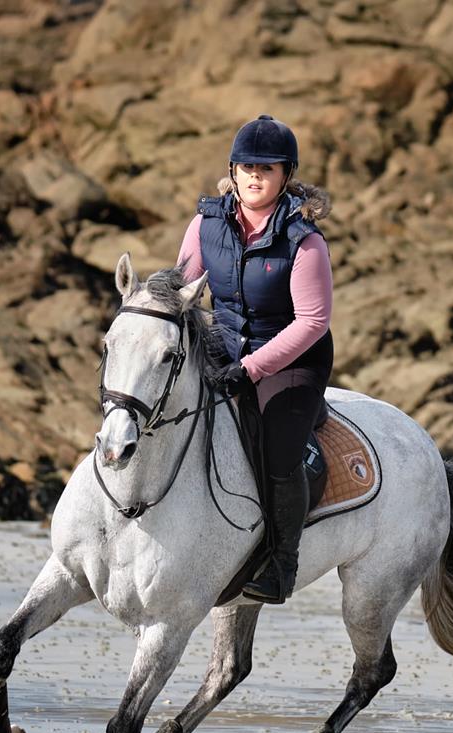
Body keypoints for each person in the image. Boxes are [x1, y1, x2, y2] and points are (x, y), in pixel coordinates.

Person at [176, 114, 333, 604]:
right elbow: (183, 289)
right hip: (223, 347)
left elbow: (312, 322)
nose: (255, 176)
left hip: (291, 358)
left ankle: (281, 563)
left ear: (286, 176)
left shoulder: (304, 241)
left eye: (267, 168)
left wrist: (251, 368)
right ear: (233, 169)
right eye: (247, 167)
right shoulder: (206, 223)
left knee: (277, 451)